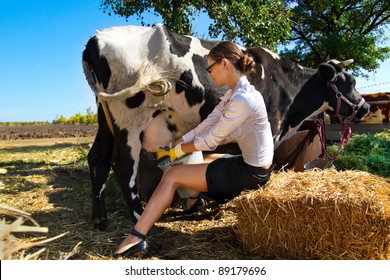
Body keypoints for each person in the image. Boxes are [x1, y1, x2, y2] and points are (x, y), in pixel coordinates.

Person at [114, 41, 274, 257]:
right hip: (251, 164)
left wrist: (177, 153)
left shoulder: (243, 99)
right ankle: (193, 200)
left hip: (251, 173)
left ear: (224, 63)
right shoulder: (235, 93)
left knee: (171, 175)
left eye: (210, 68)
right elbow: (208, 123)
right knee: (207, 160)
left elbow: (212, 138)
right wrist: (179, 142)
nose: (209, 74)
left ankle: (136, 238)